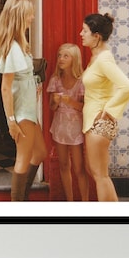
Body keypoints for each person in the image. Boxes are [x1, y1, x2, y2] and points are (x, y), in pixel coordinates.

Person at [0, 0, 47, 201]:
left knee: (40, 152)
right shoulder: (14, 49)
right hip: (22, 113)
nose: (33, 17)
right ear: (19, 17)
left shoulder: (19, 46)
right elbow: (6, 88)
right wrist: (11, 121)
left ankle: (22, 199)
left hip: (28, 110)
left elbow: (17, 81)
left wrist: (32, 86)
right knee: (23, 160)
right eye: (29, 14)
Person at [79, 12, 129, 202]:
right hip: (93, 122)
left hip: (98, 124)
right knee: (97, 174)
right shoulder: (97, 57)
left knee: (100, 176)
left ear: (97, 36)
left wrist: (109, 110)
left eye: (85, 31)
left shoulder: (104, 59)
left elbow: (127, 87)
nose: (81, 34)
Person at [47, 43, 88, 202]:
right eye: (59, 55)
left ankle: (85, 203)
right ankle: (70, 202)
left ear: (74, 59)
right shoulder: (55, 79)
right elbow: (51, 107)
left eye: (66, 56)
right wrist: (56, 102)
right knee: (64, 166)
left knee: (79, 168)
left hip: (75, 128)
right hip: (60, 128)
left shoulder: (81, 81)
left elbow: (85, 107)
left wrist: (70, 101)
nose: (61, 59)